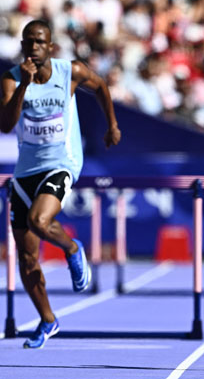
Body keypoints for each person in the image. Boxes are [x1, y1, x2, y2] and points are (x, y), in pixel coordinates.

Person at [0, 20, 121, 348]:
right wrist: (24, 85)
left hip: (61, 163)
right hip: (25, 172)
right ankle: (48, 320)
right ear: (23, 46)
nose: (34, 47)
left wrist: (111, 124)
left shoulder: (71, 71)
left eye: (40, 42)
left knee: (41, 221)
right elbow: (7, 125)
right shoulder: (11, 79)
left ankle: (72, 248)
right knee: (27, 258)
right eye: (29, 42)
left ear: (51, 47)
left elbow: (100, 87)